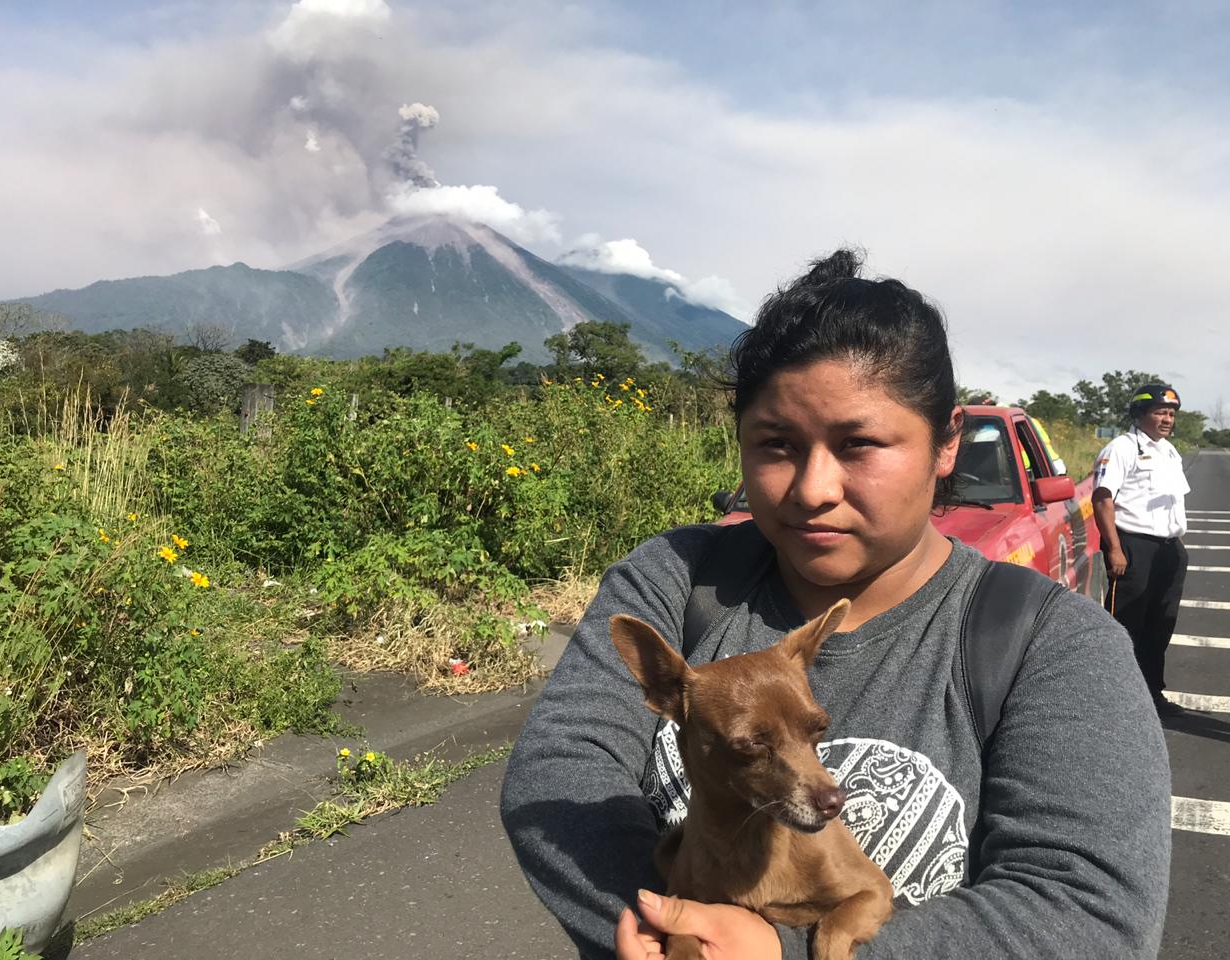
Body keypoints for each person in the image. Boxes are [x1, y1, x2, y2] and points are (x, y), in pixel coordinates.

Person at [500, 250, 1170, 960]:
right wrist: (670, 923)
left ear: (945, 446)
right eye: (776, 444)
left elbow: (1089, 912)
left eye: (859, 444)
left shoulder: (1052, 644)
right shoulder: (676, 580)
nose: (813, 488)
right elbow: (559, 768)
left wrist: (780, 950)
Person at [1091, 384, 1190, 718]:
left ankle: (1151, 695)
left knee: (1160, 625)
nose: (1167, 419)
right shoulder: (1121, 448)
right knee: (1125, 626)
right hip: (1134, 547)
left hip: (1168, 551)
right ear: (1139, 414)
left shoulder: (1169, 452)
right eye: (1160, 412)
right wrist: (1114, 549)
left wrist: (1177, 549)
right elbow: (1103, 499)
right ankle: (1115, 699)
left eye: (1171, 413)